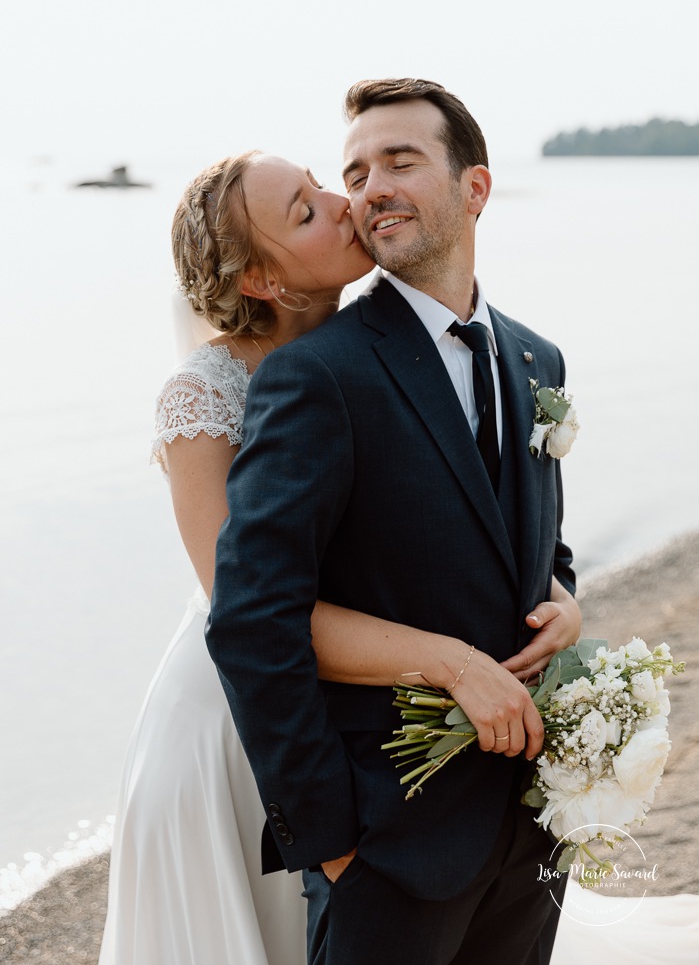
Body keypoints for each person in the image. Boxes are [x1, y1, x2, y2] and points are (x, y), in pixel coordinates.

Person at [99, 149, 579, 965]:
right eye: (305, 210)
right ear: (263, 279)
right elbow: (248, 609)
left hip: (384, 712)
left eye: (323, 181)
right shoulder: (206, 396)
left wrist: (558, 593)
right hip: (244, 719)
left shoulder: (400, 346)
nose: (341, 200)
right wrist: (452, 664)